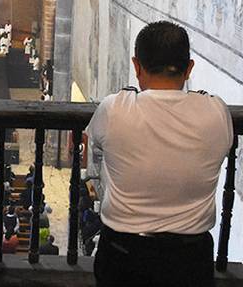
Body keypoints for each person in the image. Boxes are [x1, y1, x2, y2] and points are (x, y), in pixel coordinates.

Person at [87, 21, 233, 287]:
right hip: (190, 258)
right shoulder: (217, 113)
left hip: (124, 252)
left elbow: (94, 144)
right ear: (188, 69)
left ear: (137, 66)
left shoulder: (115, 109)